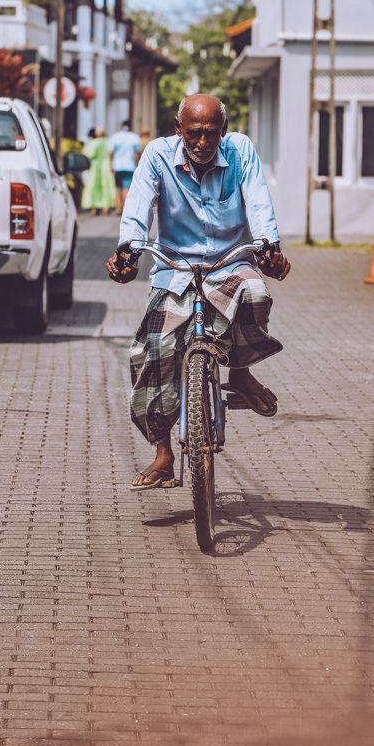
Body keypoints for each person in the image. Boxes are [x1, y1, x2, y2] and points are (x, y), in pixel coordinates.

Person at [105, 93, 291, 490]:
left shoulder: (240, 151)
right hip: (174, 269)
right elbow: (138, 206)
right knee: (152, 352)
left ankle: (239, 373)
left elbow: (259, 203)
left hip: (230, 264)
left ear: (224, 131)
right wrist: (127, 251)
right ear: (178, 130)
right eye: (193, 133)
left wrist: (269, 247)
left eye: (210, 133)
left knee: (256, 294)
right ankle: (163, 454)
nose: (202, 142)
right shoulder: (157, 155)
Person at [108, 120, 142, 215]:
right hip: (130, 166)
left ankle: (118, 208)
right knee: (126, 187)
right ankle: (126, 208)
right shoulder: (134, 137)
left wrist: (111, 164)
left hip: (117, 166)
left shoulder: (115, 137)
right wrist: (137, 163)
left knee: (118, 187)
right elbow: (138, 153)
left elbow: (110, 152)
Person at [82, 127, 116, 215]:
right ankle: (106, 207)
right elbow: (112, 153)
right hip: (106, 165)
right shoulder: (108, 142)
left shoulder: (94, 143)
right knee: (106, 186)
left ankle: (95, 207)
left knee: (94, 186)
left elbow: (88, 154)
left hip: (96, 166)